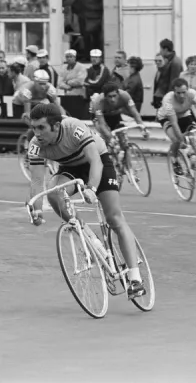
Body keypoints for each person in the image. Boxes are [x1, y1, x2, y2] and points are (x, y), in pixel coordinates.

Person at [26, 103, 146, 298]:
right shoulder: (35, 145)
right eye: (34, 127)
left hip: (98, 162)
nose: (36, 133)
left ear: (56, 126)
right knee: (54, 193)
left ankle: (135, 279)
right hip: (69, 168)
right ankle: (89, 238)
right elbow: (37, 181)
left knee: (114, 219)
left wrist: (91, 188)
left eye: (41, 128)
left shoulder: (74, 128)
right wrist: (36, 210)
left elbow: (95, 162)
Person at [156, 78, 196, 175]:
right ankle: (174, 159)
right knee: (177, 140)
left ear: (188, 90)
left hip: (184, 114)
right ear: (174, 92)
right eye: (178, 93)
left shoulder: (193, 94)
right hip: (166, 117)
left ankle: (192, 155)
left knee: (195, 135)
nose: (181, 95)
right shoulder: (168, 100)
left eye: (184, 92)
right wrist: (181, 139)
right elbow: (174, 122)